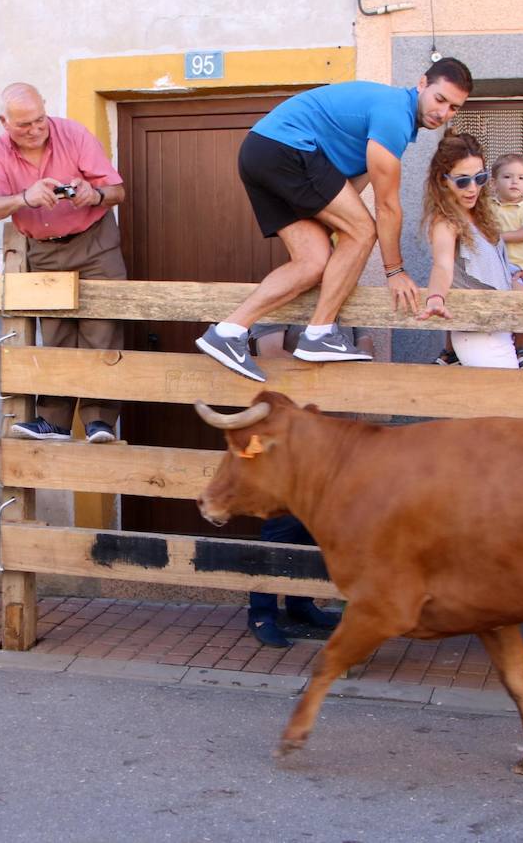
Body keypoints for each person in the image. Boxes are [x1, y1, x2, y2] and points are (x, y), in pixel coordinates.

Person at [195, 58, 475, 383]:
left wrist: (341, 237)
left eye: (454, 108)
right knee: (363, 230)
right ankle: (319, 333)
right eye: (440, 99)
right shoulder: (395, 114)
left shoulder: (387, 118)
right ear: (422, 83)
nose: (443, 113)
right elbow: (387, 207)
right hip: (285, 149)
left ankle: (229, 331)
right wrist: (394, 270)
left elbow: (346, 193)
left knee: (313, 261)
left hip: (261, 152)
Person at [0, 83, 127, 444]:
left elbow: (118, 191)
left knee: (102, 330)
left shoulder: (73, 133)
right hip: (43, 250)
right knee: (57, 336)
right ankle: (54, 422)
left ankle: (99, 422)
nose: (34, 129)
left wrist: (95, 194)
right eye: (24, 124)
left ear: (46, 108)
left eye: (39, 119)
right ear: (4, 122)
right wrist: (24, 197)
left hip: (95, 242)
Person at [244, 322, 355, 647]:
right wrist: (332, 375)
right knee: (280, 530)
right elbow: (272, 356)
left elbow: (366, 352)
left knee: (314, 530)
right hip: (288, 439)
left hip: (333, 437)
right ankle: (261, 612)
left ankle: (300, 604)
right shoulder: (282, 301)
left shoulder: (345, 304)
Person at [414, 132, 522, 369]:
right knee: (505, 401)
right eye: (462, 180)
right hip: (477, 331)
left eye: (480, 178)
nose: (473, 188)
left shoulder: (479, 216)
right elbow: (441, 265)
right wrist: (435, 297)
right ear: (442, 180)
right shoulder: (445, 221)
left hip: (497, 327)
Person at [434, 151, 523, 369]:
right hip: (488, 275)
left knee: (522, 301)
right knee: (454, 303)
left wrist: (496, 238)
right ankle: (449, 351)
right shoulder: (486, 208)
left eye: (521, 178)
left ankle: (521, 348)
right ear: (494, 183)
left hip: (515, 267)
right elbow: (444, 265)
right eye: (508, 177)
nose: (514, 182)